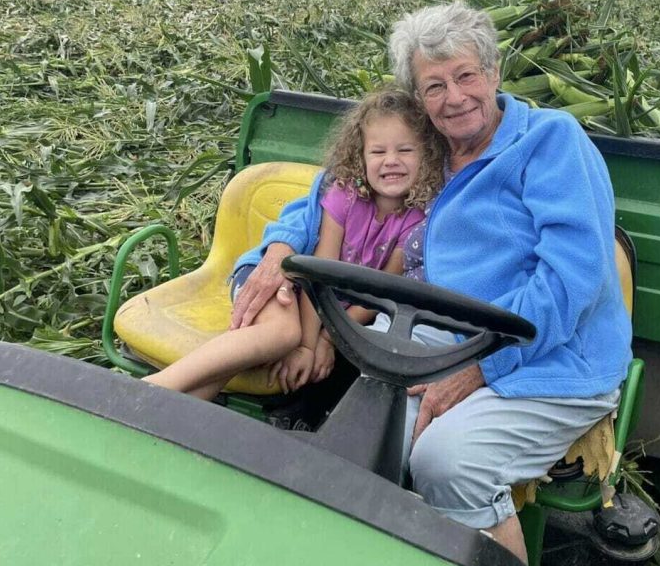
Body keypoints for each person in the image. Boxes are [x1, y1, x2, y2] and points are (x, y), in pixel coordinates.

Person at [244, 1, 633, 564]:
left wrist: (481, 366)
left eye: (466, 76)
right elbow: (325, 197)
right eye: (434, 86)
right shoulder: (422, 150)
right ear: (419, 99)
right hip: (429, 339)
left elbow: (570, 281)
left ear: (495, 73)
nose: (454, 97)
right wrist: (278, 248)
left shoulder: (551, 144)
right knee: (357, 452)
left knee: (446, 463)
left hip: (546, 356)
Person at [145, 86, 445, 400]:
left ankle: (168, 412)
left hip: (329, 313)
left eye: (405, 150)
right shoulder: (344, 195)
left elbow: (376, 294)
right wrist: (305, 345)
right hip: (285, 280)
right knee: (282, 334)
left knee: (249, 357)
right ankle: (152, 389)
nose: (391, 161)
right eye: (378, 152)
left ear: (427, 155)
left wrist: (326, 341)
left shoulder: (417, 222)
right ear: (361, 155)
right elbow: (319, 273)